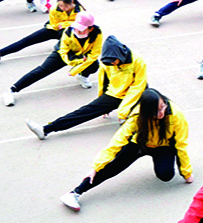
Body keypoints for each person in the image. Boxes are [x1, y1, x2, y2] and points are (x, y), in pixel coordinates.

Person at [58, 88, 193, 212]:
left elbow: (181, 144)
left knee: (166, 176)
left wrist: (186, 173)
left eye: (162, 106)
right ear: (146, 112)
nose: (161, 113)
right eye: (156, 111)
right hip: (139, 143)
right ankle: (75, 193)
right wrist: (96, 166)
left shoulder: (176, 115)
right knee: (112, 167)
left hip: (163, 147)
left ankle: (164, 164)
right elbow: (117, 141)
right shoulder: (137, 116)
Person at [25, 35, 148, 138]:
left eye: (113, 61)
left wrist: (123, 110)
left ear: (120, 54)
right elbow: (104, 81)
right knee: (84, 111)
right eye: (109, 62)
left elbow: (138, 85)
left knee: (151, 105)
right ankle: (45, 129)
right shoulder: (107, 62)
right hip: (116, 93)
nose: (112, 63)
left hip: (138, 92)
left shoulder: (137, 60)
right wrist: (104, 104)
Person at [1, 12, 101, 106]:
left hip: (83, 56)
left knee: (94, 65)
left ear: (91, 29)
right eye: (76, 27)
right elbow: (64, 52)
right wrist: (76, 62)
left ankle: (82, 76)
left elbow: (94, 54)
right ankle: (12, 90)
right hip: (64, 54)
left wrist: (76, 70)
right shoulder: (68, 32)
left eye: (81, 29)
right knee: (42, 70)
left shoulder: (97, 34)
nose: (77, 31)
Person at [0, 0, 82, 64]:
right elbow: (54, 24)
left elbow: (80, 27)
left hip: (70, 34)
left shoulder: (80, 12)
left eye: (66, 6)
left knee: (68, 34)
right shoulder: (54, 9)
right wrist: (65, 24)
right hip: (54, 29)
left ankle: (64, 47)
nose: (63, 8)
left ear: (72, 2)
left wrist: (65, 25)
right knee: (28, 40)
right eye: (60, 5)